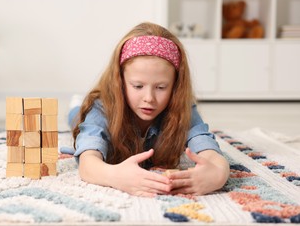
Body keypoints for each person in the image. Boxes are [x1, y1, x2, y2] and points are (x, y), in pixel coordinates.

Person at [65, 22, 229, 197]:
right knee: (77, 118)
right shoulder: (102, 108)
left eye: (161, 87)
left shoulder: (181, 108)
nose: (149, 98)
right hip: (95, 110)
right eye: (137, 86)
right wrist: (114, 175)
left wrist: (218, 174)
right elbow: (87, 163)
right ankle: (76, 104)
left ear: (175, 86)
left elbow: (210, 151)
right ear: (120, 82)